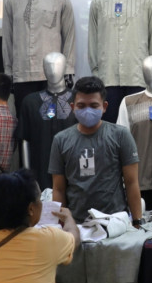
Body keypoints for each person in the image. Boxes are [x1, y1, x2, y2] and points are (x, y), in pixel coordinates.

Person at [49, 76, 143, 225]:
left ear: (104, 106)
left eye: (93, 105)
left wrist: (137, 221)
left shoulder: (121, 135)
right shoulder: (60, 140)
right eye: (81, 106)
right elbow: (58, 189)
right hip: (77, 225)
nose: (88, 110)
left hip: (115, 223)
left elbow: (131, 182)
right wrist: (61, 226)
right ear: (72, 107)